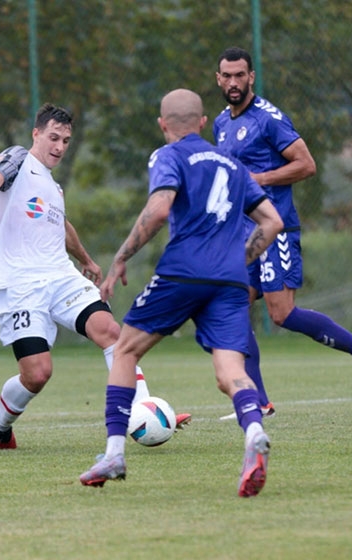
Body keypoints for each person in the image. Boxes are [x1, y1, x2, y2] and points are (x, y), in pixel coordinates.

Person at [79, 89, 283, 497]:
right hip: (230, 280)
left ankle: (114, 455)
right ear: (203, 122)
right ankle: (254, 433)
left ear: (163, 124)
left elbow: (158, 210)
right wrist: (236, 259)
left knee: (125, 350)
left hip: (183, 271)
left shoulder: (168, 155)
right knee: (231, 372)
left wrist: (121, 257)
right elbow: (272, 222)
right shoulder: (233, 164)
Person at [0, 103, 191, 450]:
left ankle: (144, 410)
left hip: (61, 277)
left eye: (65, 140)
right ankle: (0, 419)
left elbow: (61, 226)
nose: (59, 146)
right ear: (36, 134)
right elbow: (1, 170)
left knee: (111, 332)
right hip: (20, 284)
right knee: (37, 373)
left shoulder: (53, 187)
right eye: (53, 138)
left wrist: (86, 260)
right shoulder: (19, 160)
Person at [212, 46, 352, 418]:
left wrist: (259, 179)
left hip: (275, 228)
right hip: (244, 235)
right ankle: (258, 401)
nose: (233, 82)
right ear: (218, 79)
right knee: (232, 307)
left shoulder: (268, 119)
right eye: (227, 76)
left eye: (240, 75)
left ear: (251, 77)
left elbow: (306, 165)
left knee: (281, 314)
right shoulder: (221, 123)